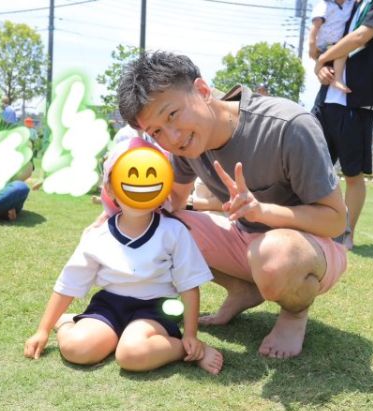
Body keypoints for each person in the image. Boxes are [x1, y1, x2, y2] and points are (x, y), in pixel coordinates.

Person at [116, 51, 348, 359]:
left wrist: (263, 211)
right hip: (246, 241)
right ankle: (242, 290)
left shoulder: (288, 126)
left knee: (274, 254)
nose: (172, 137)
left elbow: (335, 220)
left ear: (202, 90)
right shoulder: (184, 146)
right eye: (156, 131)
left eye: (172, 115)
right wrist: (120, 206)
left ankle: (294, 314)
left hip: (310, 249)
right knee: (160, 225)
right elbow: (174, 204)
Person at [24, 138, 224, 374]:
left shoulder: (174, 231)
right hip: (108, 306)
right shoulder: (98, 235)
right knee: (77, 349)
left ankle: (184, 349)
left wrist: (190, 336)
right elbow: (69, 283)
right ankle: (69, 323)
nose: (140, 186)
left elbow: (189, 286)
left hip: (155, 310)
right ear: (110, 188)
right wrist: (43, 330)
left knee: (132, 354)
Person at [312, 0, 373, 250]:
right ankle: (311, 226)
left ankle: (345, 234)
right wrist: (323, 67)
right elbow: (337, 38)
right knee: (311, 164)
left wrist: (322, 58)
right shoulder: (355, 3)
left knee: (352, 174)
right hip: (327, 98)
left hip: (358, 100)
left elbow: (360, 36)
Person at [308, 0, 356, 93]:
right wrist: (311, 45)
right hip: (322, 46)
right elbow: (315, 27)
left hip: (335, 44)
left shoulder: (349, 4)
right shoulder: (324, 6)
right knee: (341, 51)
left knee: (342, 51)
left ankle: (335, 78)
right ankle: (334, 78)